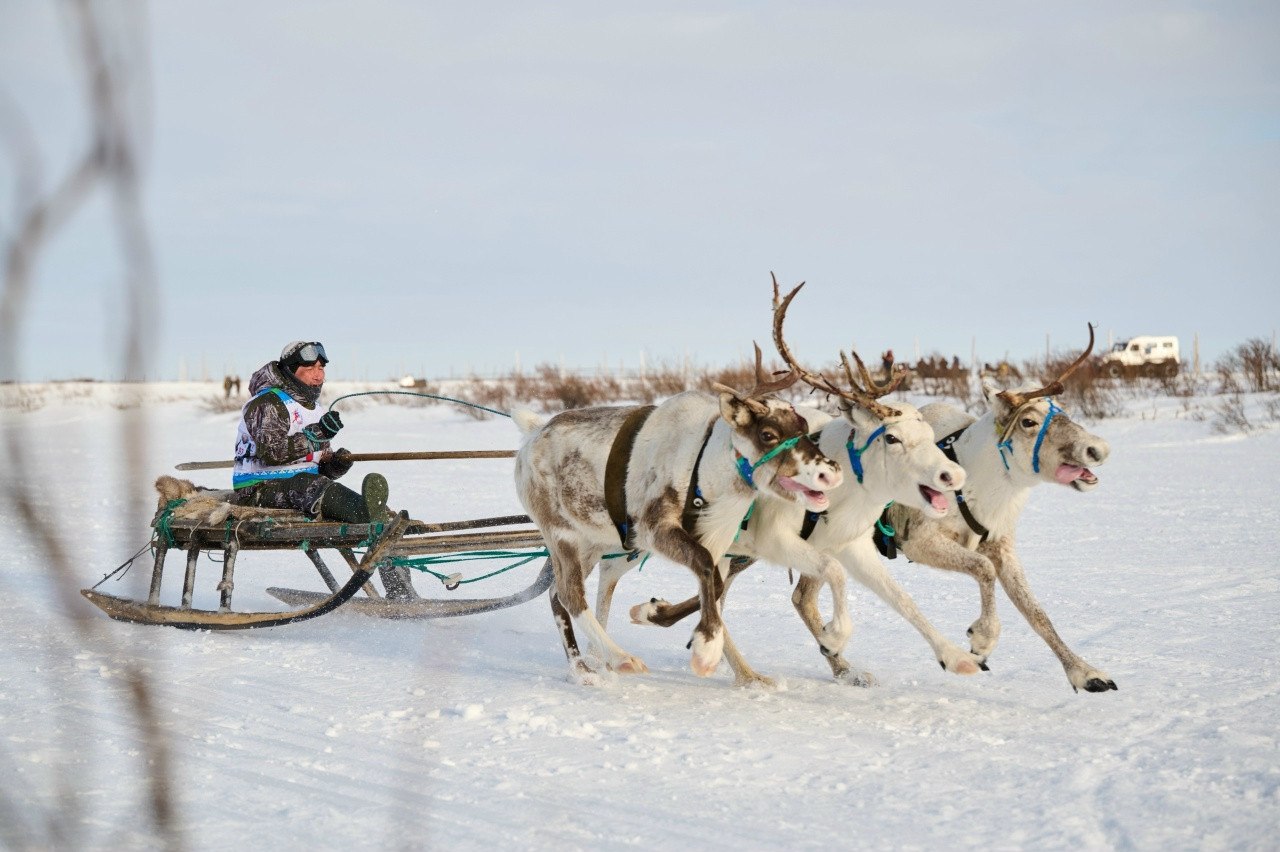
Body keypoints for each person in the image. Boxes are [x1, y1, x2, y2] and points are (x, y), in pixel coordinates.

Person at [232, 341, 389, 523]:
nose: (318, 375)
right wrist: (318, 434)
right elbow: (273, 453)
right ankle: (368, 516)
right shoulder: (268, 403)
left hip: (301, 488)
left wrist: (334, 465)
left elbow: (315, 466)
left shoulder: (315, 409)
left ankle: (379, 515)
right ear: (291, 370)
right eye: (309, 368)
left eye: (321, 368)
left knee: (312, 485)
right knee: (310, 487)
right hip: (258, 490)